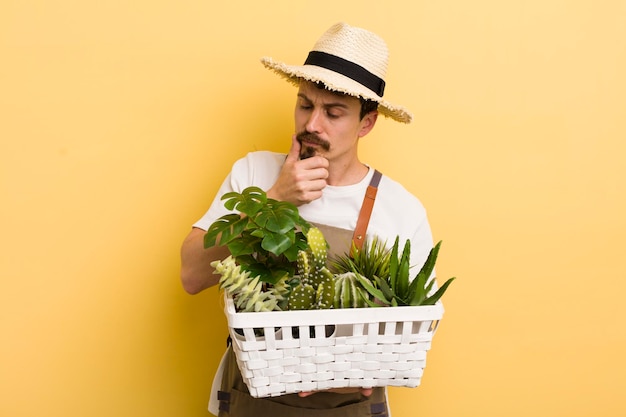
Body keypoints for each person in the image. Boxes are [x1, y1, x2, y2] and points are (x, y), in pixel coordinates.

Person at [181, 22, 436, 417]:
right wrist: (275, 199)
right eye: (304, 105)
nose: (311, 125)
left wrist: (357, 367)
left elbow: (413, 329)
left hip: (352, 404)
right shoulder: (253, 175)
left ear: (366, 123)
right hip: (251, 401)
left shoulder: (400, 209)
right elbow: (192, 276)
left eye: (333, 113)